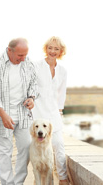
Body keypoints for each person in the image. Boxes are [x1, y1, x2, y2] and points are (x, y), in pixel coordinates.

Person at [0, 38, 38, 185]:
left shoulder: (28, 63)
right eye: (20, 55)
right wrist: (3, 115)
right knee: (4, 152)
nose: (22, 59)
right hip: (1, 115)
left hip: (23, 115)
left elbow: (34, 83)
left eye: (25, 55)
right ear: (9, 50)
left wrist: (31, 98)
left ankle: (18, 182)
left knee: (27, 147)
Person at [32, 36, 69, 185]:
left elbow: (62, 93)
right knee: (38, 148)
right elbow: (30, 86)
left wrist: (59, 111)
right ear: (46, 49)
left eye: (56, 49)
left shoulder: (62, 71)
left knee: (58, 144)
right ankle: (39, 180)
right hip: (37, 112)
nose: (52, 51)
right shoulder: (36, 66)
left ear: (61, 52)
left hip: (54, 113)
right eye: (50, 48)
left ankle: (63, 178)